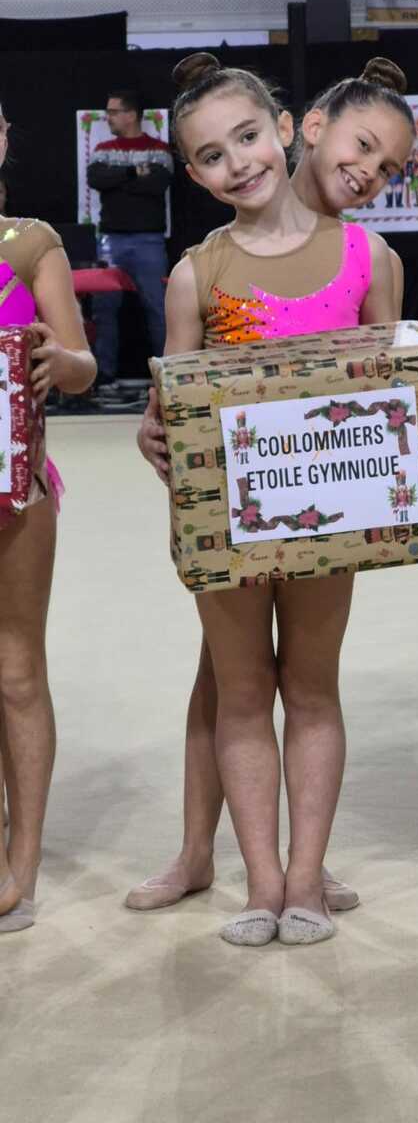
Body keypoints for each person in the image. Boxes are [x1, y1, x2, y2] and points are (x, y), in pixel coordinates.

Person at [133, 52, 413, 946]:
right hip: (228, 523)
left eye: (247, 137)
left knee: (312, 689)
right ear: (193, 174)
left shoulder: (369, 257)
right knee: (241, 693)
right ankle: (257, 880)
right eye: (211, 155)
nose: (237, 163)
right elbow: (172, 409)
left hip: (328, 521)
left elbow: (391, 399)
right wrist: (161, 446)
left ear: (285, 129)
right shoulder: (197, 273)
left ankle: (303, 880)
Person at [0, 99, 97, 933]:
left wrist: (58, 359)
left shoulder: (31, 244)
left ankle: (21, 860)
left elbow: (82, 366)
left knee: (15, 671)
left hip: (15, 488)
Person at [86, 89, 173, 398]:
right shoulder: (102, 149)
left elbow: (158, 183)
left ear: (131, 114)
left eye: (113, 112)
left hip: (149, 241)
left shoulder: (159, 149)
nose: (108, 117)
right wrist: (135, 173)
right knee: (104, 309)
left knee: (158, 309)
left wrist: (119, 179)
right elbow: (97, 179)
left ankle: (167, 378)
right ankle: (104, 377)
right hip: (111, 240)